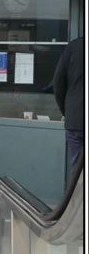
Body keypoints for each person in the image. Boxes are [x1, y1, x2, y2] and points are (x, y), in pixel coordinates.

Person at [51, 36, 84, 185]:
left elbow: (58, 83)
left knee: (77, 169)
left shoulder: (73, 47)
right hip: (74, 118)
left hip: (75, 119)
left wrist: (66, 110)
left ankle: (78, 205)